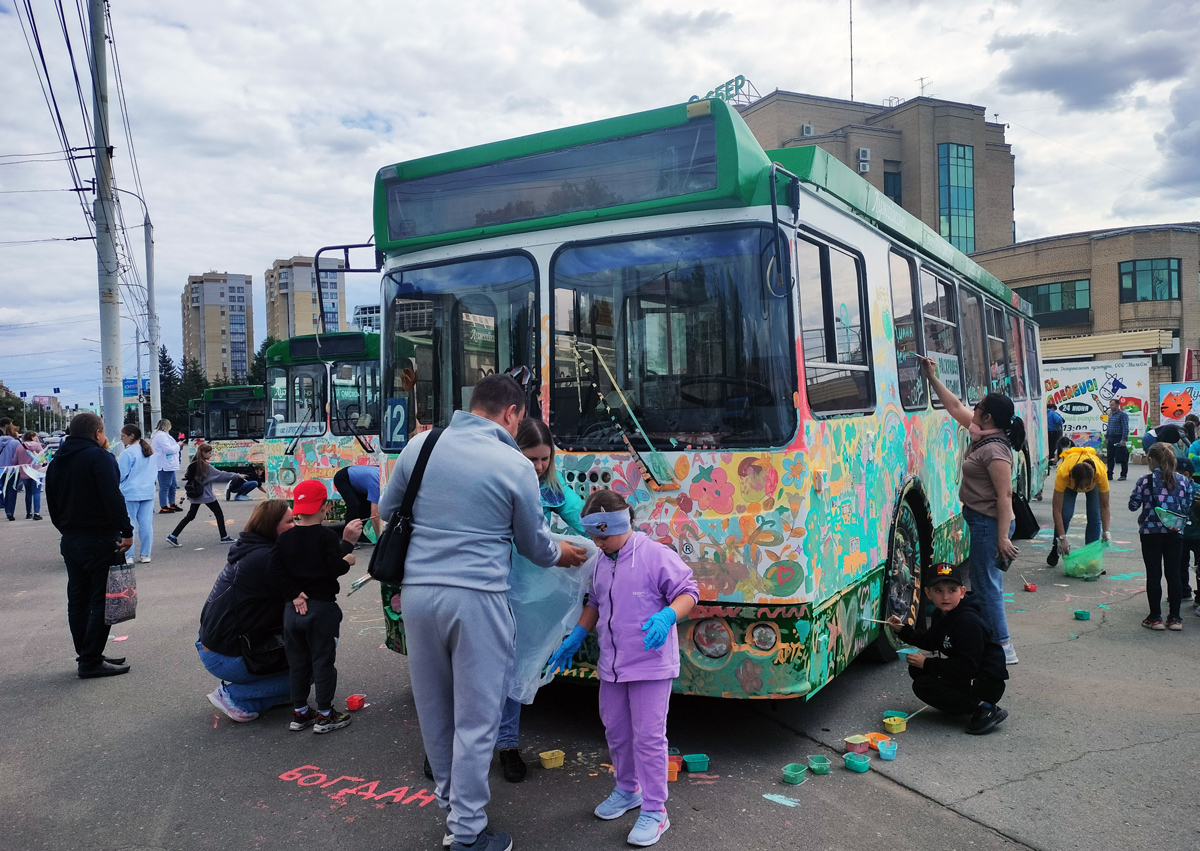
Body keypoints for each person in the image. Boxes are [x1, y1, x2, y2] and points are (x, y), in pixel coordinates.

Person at [378, 374, 588, 851]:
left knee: (435, 711)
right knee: (477, 719)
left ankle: (453, 809)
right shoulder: (513, 464)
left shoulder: (421, 446)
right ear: (513, 414)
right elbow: (536, 546)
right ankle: (468, 834)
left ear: (473, 405)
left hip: (417, 594)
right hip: (478, 599)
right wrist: (566, 553)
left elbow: (388, 511)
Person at [547, 488, 698, 847]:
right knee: (616, 731)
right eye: (594, 537)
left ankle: (655, 810)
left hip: (650, 665)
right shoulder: (602, 560)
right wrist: (578, 633)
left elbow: (687, 591)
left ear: (619, 525)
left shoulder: (653, 555)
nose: (597, 544)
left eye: (602, 536)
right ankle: (627, 789)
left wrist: (667, 615)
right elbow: (596, 600)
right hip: (613, 666)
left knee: (648, 737)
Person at [495, 418, 588, 783]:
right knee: (472, 669)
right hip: (488, 585)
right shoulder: (496, 482)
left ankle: (507, 745)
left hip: (527, 591)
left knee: (517, 664)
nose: (537, 466)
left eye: (544, 459)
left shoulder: (549, 486)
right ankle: (446, 748)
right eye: (530, 457)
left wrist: (628, 539)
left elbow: (582, 517)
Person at [918, 355, 1024, 666]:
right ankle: (995, 640)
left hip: (991, 525)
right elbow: (953, 407)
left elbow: (1005, 496)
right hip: (984, 523)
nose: (972, 408)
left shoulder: (994, 449)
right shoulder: (982, 435)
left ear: (988, 417)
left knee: (985, 584)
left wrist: (1002, 537)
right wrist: (932, 377)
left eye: (977, 407)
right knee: (985, 581)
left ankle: (1003, 647)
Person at [269, 479, 362, 733]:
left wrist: (295, 595)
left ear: (296, 508)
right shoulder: (326, 537)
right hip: (322, 609)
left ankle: (300, 712)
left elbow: (275, 569)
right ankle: (325, 714)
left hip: (292, 610)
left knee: (297, 663)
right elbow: (333, 568)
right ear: (324, 508)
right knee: (323, 661)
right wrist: (348, 558)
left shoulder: (285, 538)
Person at [44, 412, 133, 678]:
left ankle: (87, 654)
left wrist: (67, 530)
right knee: (104, 601)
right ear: (97, 433)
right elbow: (112, 497)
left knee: (78, 600)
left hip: (71, 539)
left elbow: (52, 502)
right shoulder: (100, 457)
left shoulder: (57, 461)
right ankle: (90, 660)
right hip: (101, 538)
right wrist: (126, 532)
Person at [198, 499, 297, 722]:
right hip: (226, 654)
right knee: (311, 666)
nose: (296, 526)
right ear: (272, 526)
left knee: (304, 653)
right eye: (290, 522)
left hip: (215, 644)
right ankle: (234, 696)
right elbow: (307, 590)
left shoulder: (252, 548)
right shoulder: (266, 558)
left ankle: (267, 693)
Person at [886, 562, 1009, 734]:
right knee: (917, 671)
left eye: (952, 590)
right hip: (970, 673)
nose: (945, 597)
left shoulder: (968, 622)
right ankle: (963, 703)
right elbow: (930, 640)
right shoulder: (941, 614)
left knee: (923, 684)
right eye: (938, 591)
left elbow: (967, 666)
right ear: (928, 593)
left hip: (986, 682)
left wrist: (927, 663)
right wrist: (902, 629)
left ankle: (985, 707)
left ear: (962, 592)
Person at [1130, 442, 1193, 631]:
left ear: (1151, 460)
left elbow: (1133, 505)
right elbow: (1188, 507)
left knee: (1154, 574)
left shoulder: (1145, 481)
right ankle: (1175, 618)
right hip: (1175, 533)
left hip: (1150, 533)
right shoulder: (1183, 481)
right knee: (1174, 574)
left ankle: (1155, 617)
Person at [1047, 443, 1112, 566]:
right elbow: (1057, 509)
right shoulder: (1064, 473)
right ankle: (1057, 548)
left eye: (1086, 485)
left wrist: (1106, 531)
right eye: (1081, 486)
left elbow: (1105, 506)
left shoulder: (1100, 474)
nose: (1083, 489)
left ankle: (1091, 557)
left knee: (1094, 516)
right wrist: (1062, 538)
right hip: (1070, 485)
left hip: (1092, 482)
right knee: (1066, 514)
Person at [166, 444, 242, 547]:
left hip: (195, 494)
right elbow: (221, 475)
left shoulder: (194, 464)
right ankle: (224, 537)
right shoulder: (205, 467)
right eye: (209, 453)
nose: (211, 455)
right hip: (205, 494)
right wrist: (237, 476)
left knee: (190, 516)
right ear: (203, 453)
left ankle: (173, 536)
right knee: (218, 513)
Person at [117, 425, 157, 565]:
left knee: (130, 525)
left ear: (131, 436)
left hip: (130, 493)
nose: (121, 439)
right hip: (148, 491)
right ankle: (146, 554)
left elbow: (120, 475)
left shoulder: (127, 453)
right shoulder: (150, 451)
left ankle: (128, 555)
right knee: (146, 525)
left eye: (123, 436)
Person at [332, 464, 382, 538]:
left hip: (360, 482)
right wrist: (379, 539)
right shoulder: (377, 483)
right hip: (343, 478)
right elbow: (375, 515)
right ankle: (348, 537)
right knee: (354, 505)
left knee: (366, 507)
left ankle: (360, 535)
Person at [151, 418, 183, 514]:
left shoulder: (162, 435)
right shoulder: (161, 436)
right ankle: (163, 506)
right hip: (165, 465)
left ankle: (172, 504)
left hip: (169, 464)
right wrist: (178, 445)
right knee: (165, 486)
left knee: (173, 485)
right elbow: (168, 450)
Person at [15, 430, 45, 520]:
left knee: (28, 492)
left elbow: (15, 460)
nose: (37, 439)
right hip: (37, 472)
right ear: (32, 437)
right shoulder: (37, 446)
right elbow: (42, 458)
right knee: (36, 492)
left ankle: (28, 513)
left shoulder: (19, 447)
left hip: (25, 472)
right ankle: (37, 513)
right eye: (36, 437)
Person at [1104, 398, 1129, 481]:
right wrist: (1106, 437)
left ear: (1118, 405)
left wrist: (1123, 439)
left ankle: (1123, 475)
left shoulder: (1122, 415)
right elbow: (1109, 427)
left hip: (1119, 437)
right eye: (1110, 405)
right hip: (1111, 437)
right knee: (1110, 457)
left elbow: (1125, 427)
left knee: (1122, 457)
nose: (1110, 406)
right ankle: (1109, 474)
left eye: (1112, 405)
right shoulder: (1110, 415)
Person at [0, 420, 21, 521]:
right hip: (13, 470)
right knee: (12, 490)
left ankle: (6, 508)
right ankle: (10, 511)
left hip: (1, 470)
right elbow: (16, 458)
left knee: (3, 489)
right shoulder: (15, 442)